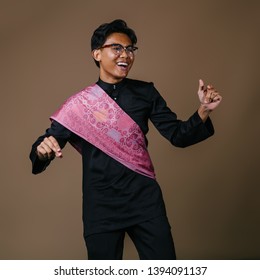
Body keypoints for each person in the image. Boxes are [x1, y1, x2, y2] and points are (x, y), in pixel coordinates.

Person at [29, 19, 222, 260]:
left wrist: (204, 110)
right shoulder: (79, 106)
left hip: (145, 201)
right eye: (117, 48)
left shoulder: (146, 93)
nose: (126, 55)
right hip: (101, 206)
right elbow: (45, 144)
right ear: (97, 53)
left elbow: (178, 135)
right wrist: (42, 151)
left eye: (130, 49)